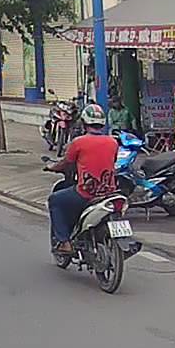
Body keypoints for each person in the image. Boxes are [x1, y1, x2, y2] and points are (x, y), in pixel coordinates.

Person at [46, 104, 119, 254]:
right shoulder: (113, 142)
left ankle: (64, 242)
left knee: (55, 200)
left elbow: (66, 163)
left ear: (84, 122)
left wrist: (52, 167)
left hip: (86, 193)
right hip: (108, 193)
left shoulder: (78, 142)